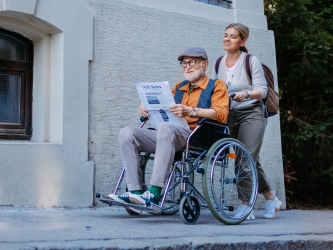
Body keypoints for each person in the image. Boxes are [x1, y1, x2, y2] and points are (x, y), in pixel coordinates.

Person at [110, 47, 228, 212]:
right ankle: (135, 193)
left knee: (166, 128)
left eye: (192, 62)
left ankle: (154, 192)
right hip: (170, 134)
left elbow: (221, 114)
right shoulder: (180, 86)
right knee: (127, 133)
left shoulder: (217, 85)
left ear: (205, 64)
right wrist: (145, 109)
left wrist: (191, 111)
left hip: (197, 136)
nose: (187, 66)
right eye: (184, 63)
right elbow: (163, 108)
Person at [215, 22, 282, 220]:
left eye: (233, 36)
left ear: (242, 41)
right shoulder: (219, 62)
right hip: (230, 116)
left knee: (244, 159)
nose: (227, 39)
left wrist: (246, 93)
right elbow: (216, 90)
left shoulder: (250, 60)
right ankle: (271, 199)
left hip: (252, 113)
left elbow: (263, 91)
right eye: (226, 35)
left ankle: (246, 204)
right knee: (250, 159)